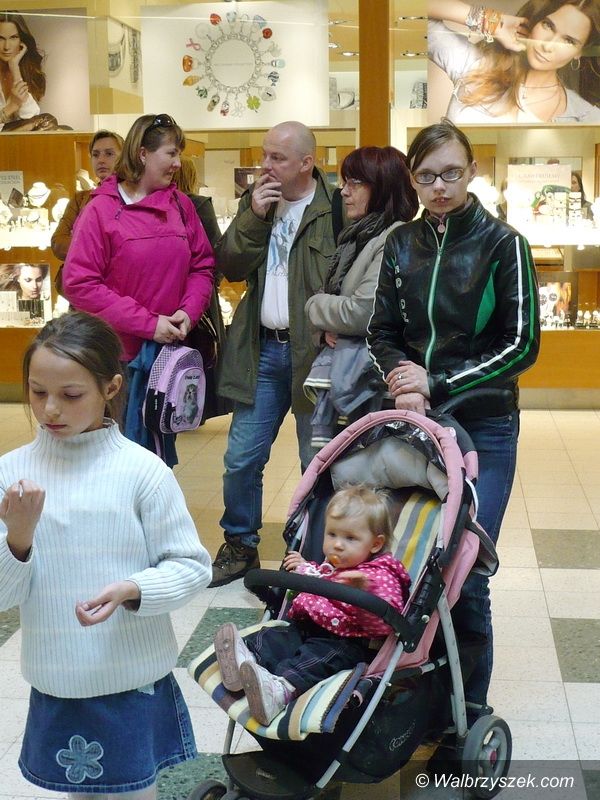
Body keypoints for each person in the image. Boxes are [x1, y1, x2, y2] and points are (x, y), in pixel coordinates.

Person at [367, 121, 540, 741]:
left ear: (471, 172)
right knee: (408, 560)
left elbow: (521, 345)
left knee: (467, 568)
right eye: (426, 176)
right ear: (412, 178)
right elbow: (382, 331)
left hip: (485, 423)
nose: (439, 187)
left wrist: (436, 382)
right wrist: (404, 380)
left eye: (451, 173)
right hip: (417, 422)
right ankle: (415, 697)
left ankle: (466, 716)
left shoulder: (503, 244)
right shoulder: (400, 243)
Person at [0, 311, 212, 798]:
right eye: (37, 392)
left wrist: (133, 589)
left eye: (71, 395)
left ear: (111, 387)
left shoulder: (143, 471)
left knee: (134, 791)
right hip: (58, 678)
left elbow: (191, 565)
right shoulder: (11, 475)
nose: (51, 409)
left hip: (131, 677)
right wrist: (19, 538)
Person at [210, 120, 337, 587]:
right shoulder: (256, 201)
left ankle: (305, 548)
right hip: (262, 350)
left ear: (307, 162)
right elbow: (229, 266)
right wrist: (254, 217)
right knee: (241, 457)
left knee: (314, 458)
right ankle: (240, 544)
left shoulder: (334, 208)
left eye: (277, 158)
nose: (265, 166)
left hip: (313, 356)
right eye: (264, 155)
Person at [62, 113, 215, 465]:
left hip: (166, 359)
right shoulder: (101, 210)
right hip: (116, 360)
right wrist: (149, 324)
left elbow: (202, 266)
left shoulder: (181, 207)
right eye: (171, 153)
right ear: (143, 154)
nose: (178, 163)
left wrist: (187, 312)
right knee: (115, 460)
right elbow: (80, 283)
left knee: (155, 460)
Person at [212, 485, 411, 726]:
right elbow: (321, 578)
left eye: (350, 538)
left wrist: (363, 593)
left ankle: (281, 691)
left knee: (316, 659)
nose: (337, 544)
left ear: (376, 544)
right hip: (307, 628)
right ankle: (245, 660)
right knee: (276, 637)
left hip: (344, 642)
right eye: (332, 534)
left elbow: (384, 623)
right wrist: (305, 568)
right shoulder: (334, 567)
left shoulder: (379, 577)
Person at [303, 146, 419, 446]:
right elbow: (341, 301)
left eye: (355, 183)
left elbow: (362, 312)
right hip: (356, 376)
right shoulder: (359, 237)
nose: (344, 191)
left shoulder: (394, 238)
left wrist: (313, 305)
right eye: (345, 182)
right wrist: (327, 327)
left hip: (374, 383)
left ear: (383, 188)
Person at [428, 0, 600, 123]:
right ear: (534, 22)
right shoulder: (474, 67)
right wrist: (492, 22)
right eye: (548, 25)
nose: (548, 46)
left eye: (568, 41)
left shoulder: (587, 117)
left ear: (580, 52)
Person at [174, 154, 231, 423]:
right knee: (198, 356)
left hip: (185, 298)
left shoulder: (193, 206)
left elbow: (214, 257)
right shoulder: (199, 206)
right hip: (199, 297)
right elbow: (217, 255)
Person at [51, 130, 124, 284]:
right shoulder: (80, 199)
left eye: (109, 154)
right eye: (96, 155)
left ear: (124, 157)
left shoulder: (132, 198)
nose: (101, 160)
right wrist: (105, 249)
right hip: (82, 286)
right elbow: (58, 244)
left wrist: (80, 242)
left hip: (120, 288)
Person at [0, 12, 58, 131]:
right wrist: (12, 106)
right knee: (47, 121)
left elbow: (31, 115)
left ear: (22, 41)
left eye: (13, 38)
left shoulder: (23, 70)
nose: (6, 46)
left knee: (53, 123)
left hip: (17, 135)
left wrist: (15, 69)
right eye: (0, 39)